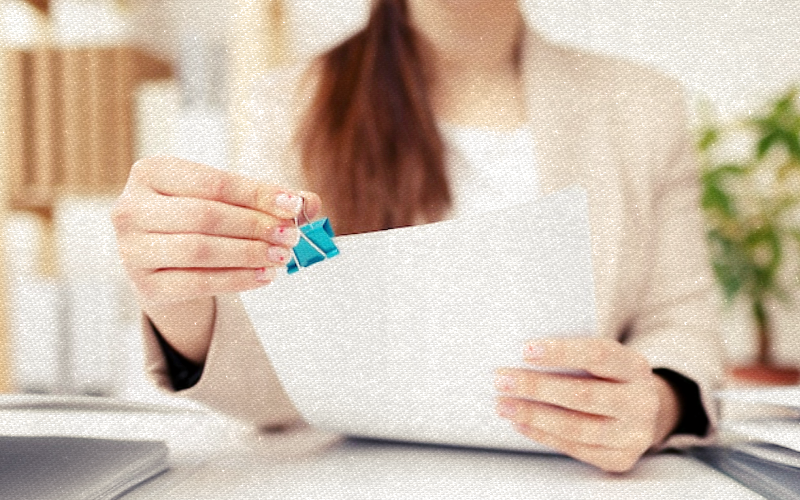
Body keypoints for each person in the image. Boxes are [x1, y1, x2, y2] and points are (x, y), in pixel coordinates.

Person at [112, 0, 724, 473]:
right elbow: (278, 368)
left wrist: (655, 406)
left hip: (577, 479)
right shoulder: (294, 104)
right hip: (358, 480)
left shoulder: (642, 106)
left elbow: (680, 323)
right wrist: (180, 303)